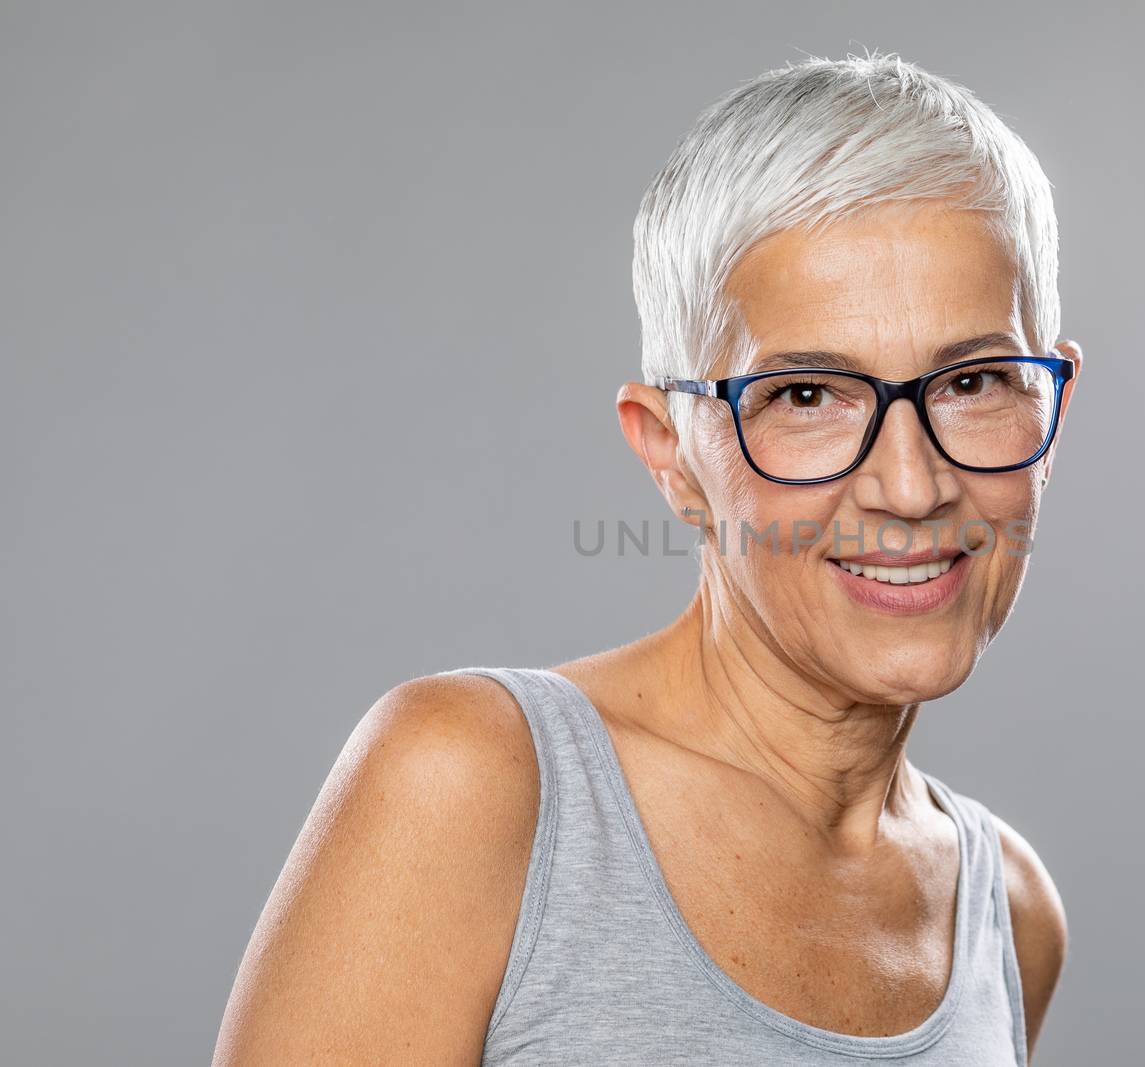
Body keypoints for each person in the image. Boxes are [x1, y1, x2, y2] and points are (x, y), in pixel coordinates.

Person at [215, 50, 1080, 1065]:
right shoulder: (474, 784)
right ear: (669, 452)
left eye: (973, 381)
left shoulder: (1005, 915)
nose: (910, 483)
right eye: (805, 396)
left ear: (1054, 404)